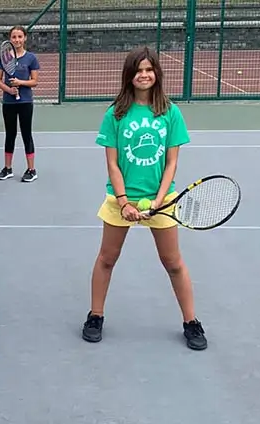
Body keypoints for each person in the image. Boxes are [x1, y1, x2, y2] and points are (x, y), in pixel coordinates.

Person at [81, 46, 207, 351]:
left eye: (149, 70)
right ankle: (95, 315)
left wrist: (159, 201)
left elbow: (172, 163)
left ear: (157, 74)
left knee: (173, 262)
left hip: (161, 201)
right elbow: (112, 163)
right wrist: (124, 202)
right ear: (129, 76)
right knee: (107, 259)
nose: (144, 75)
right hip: (120, 201)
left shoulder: (170, 112)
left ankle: (191, 322)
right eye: (138, 70)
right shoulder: (115, 114)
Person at [0, 25, 40, 183]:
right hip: (9, 102)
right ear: (10, 39)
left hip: (25, 102)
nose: (17, 40)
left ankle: (31, 170)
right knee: (10, 135)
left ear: (25, 38)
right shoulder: (5, 58)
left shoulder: (31, 58)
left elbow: (34, 82)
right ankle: (8, 168)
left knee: (27, 135)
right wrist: (9, 90)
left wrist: (20, 82)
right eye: (14, 37)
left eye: (20, 37)